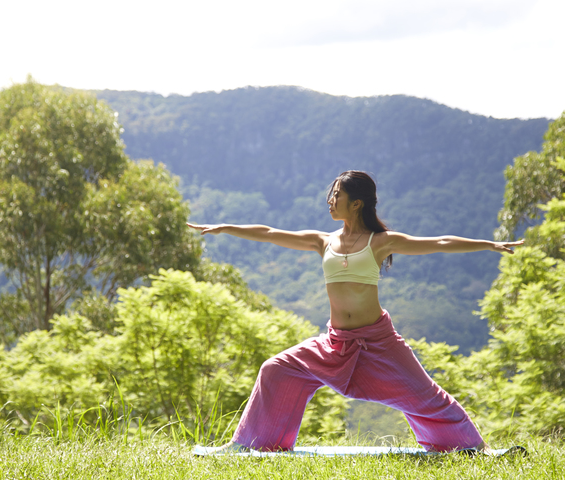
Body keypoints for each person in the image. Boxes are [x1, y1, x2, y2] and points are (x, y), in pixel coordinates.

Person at [187, 170, 523, 454]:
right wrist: (226, 227)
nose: (330, 200)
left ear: (356, 202)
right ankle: (252, 444)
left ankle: (476, 450)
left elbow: (440, 242)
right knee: (275, 369)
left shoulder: (380, 242)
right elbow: (272, 233)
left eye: (336, 195)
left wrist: (489, 244)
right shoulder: (323, 241)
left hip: (379, 341)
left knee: (426, 395)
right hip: (335, 342)